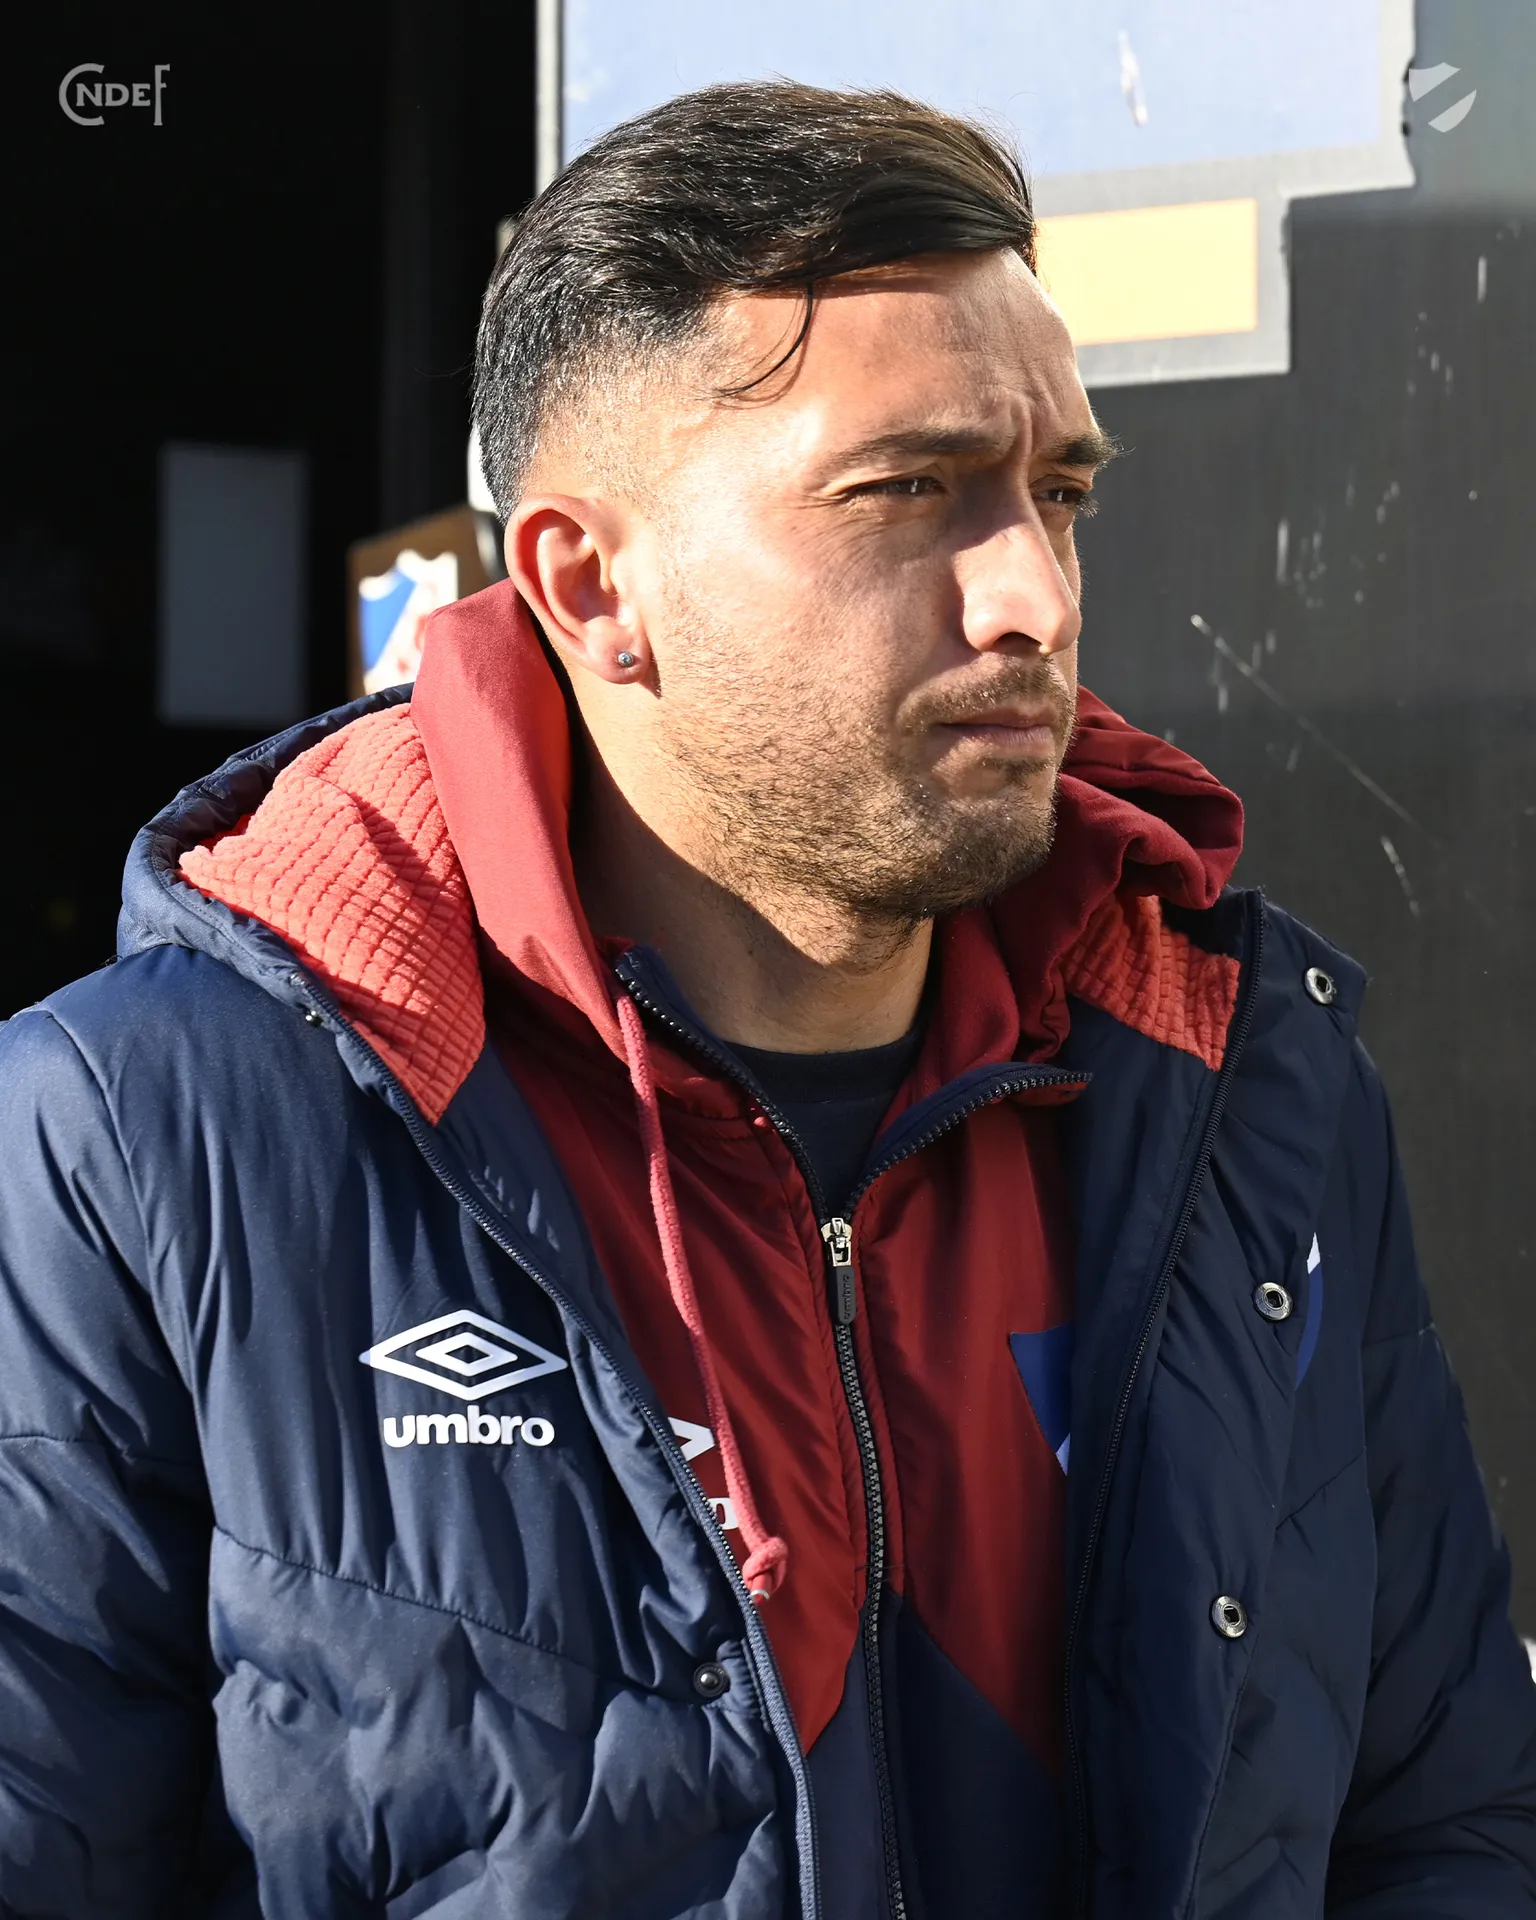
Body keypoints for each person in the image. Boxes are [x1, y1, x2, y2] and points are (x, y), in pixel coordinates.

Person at [0, 79, 1532, 1920]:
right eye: (907, 491)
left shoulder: (1243, 1083)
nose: (1033, 598)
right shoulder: (139, 1139)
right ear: (591, 581)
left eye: (1059, 495)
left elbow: (1444, 1819)